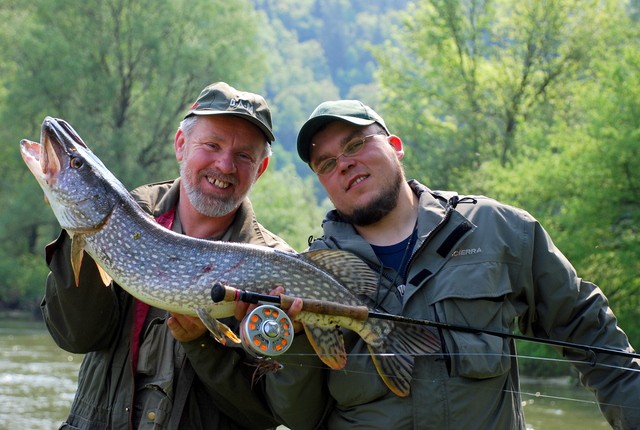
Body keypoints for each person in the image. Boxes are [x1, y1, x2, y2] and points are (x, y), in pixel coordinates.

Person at [264, 100, 640, 429]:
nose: (344, 164)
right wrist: (293, 339)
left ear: (396, 147)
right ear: (323, 183)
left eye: (356, 144)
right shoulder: (308, 276)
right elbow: (299, 419)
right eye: (326, 163)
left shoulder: (498, 230)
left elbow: (595, 340)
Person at [41, 82, 292, 430]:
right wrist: (76, 233)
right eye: (212, 145)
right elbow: (76, 336)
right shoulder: (132, 216)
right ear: (181, 145)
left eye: (244, 155)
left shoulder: (276, 265)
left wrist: (202, 345)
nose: (225, 165)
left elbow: (265, 415)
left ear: (259, 170)